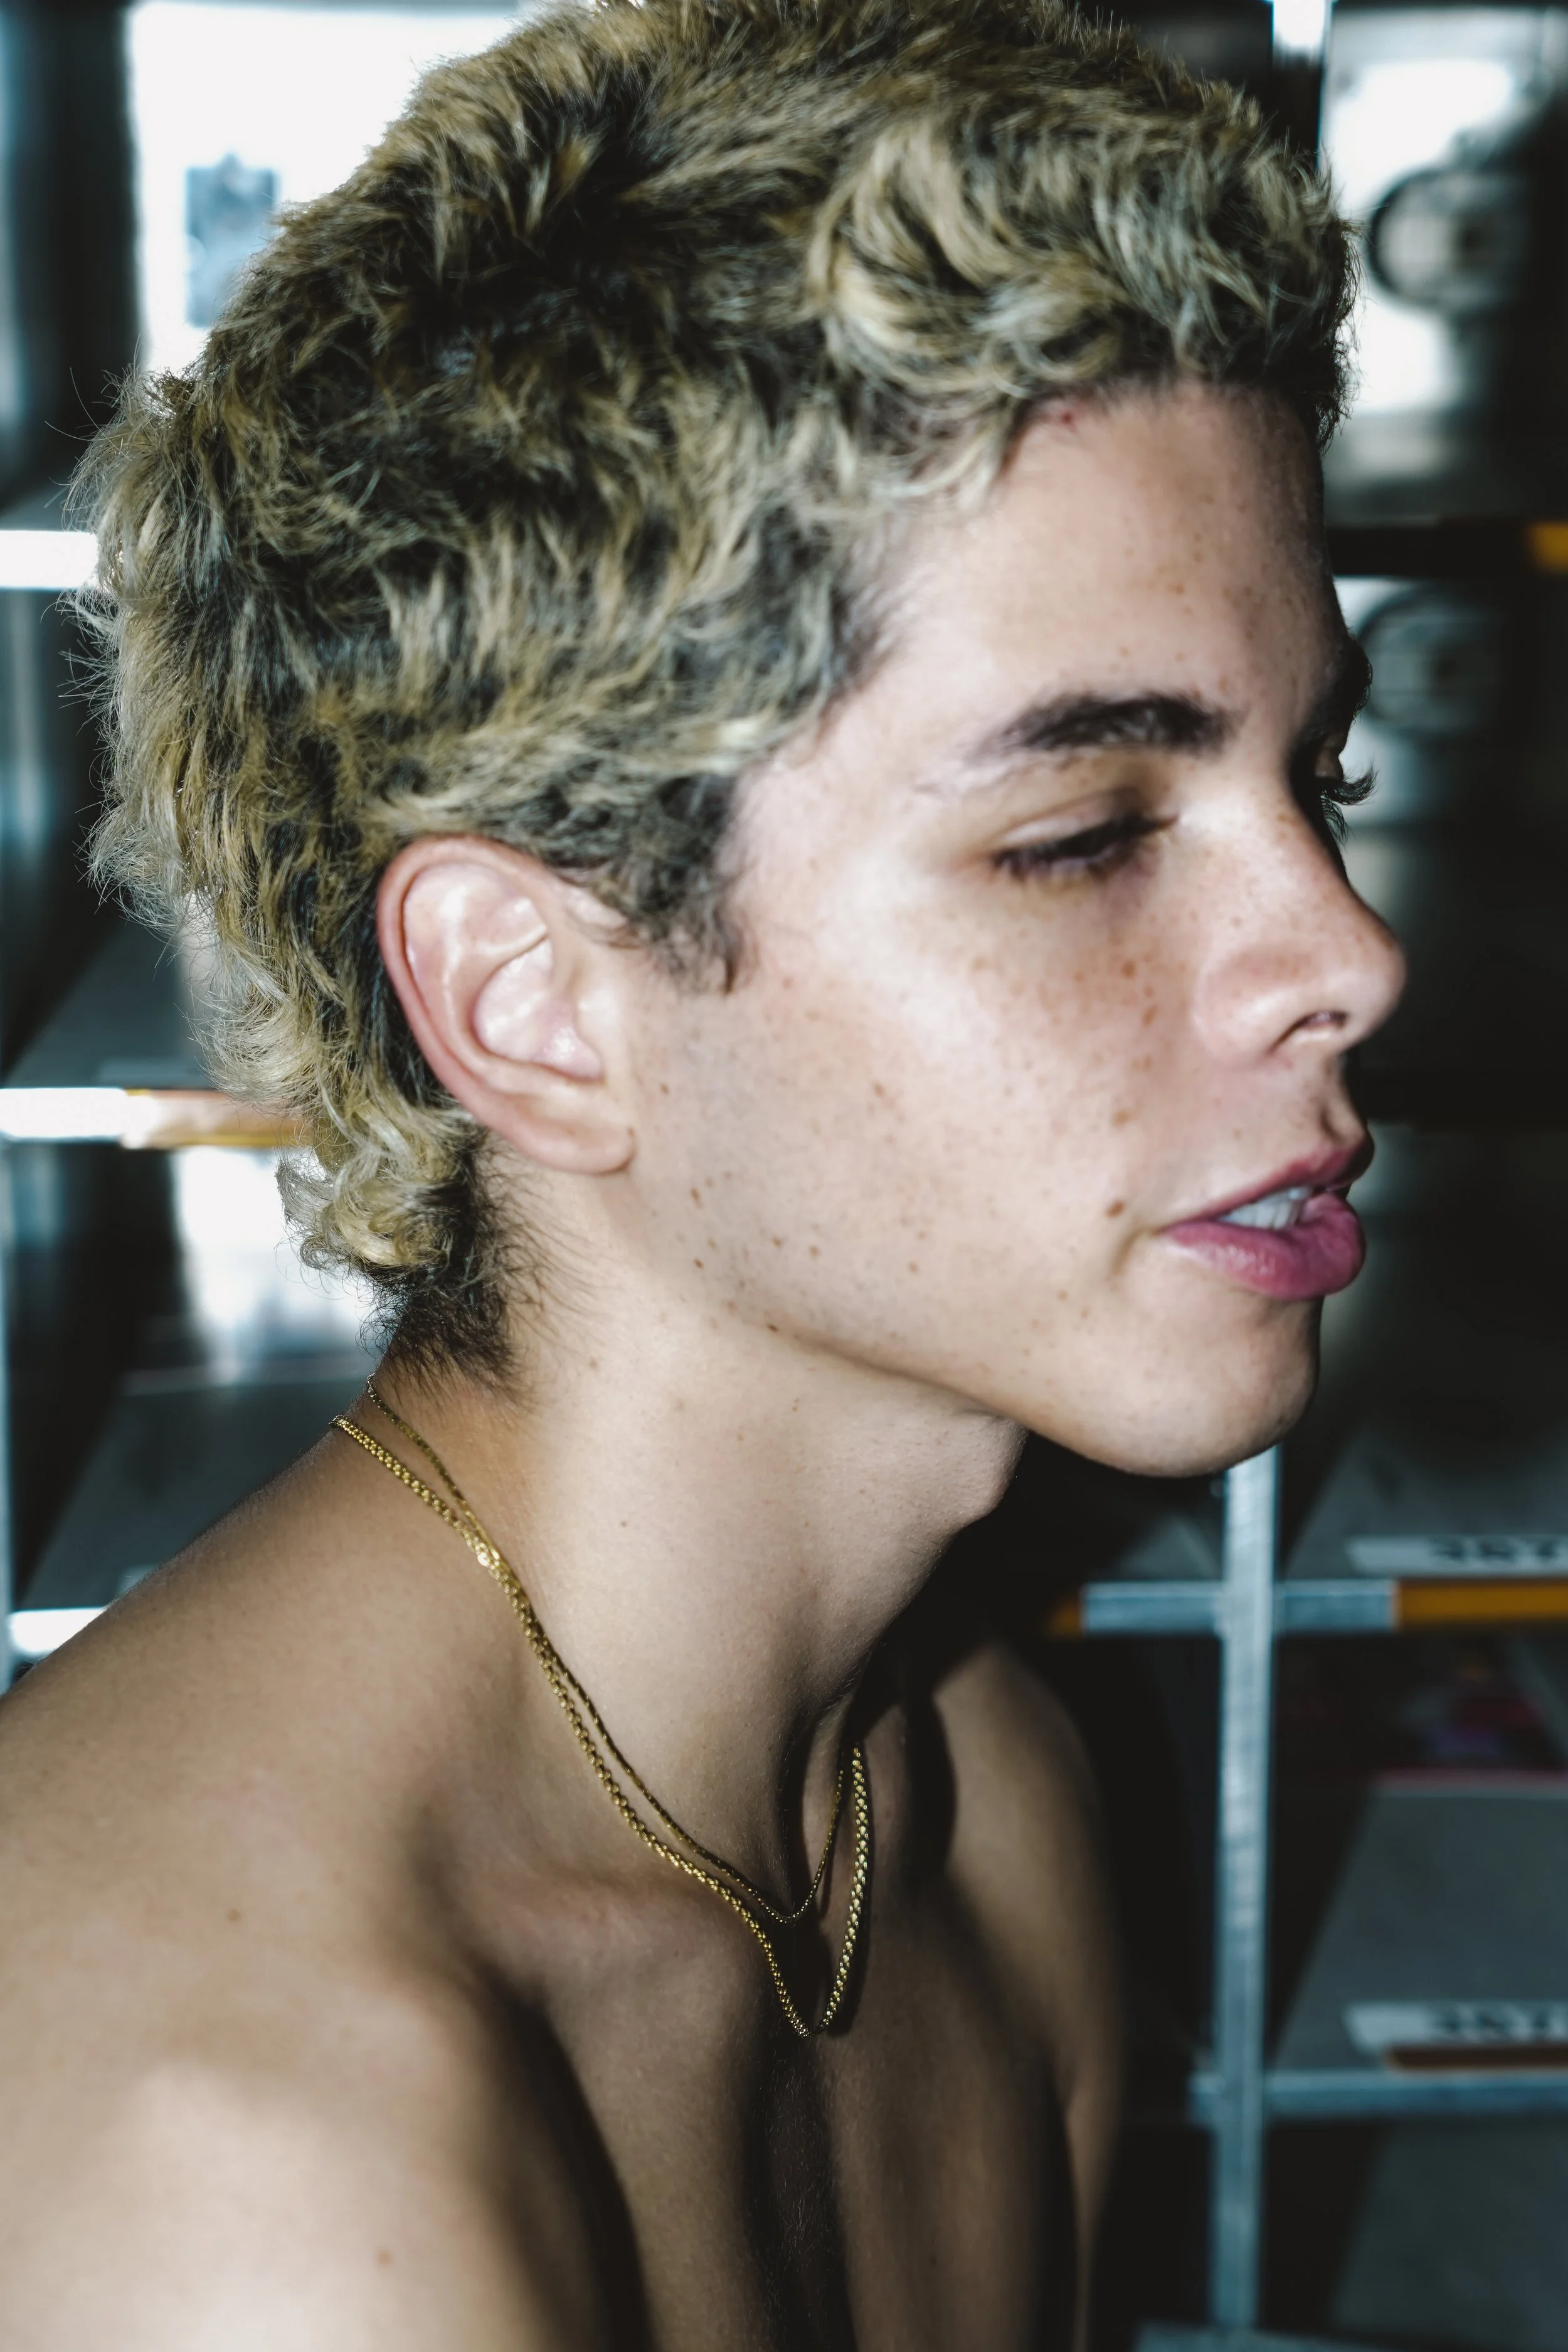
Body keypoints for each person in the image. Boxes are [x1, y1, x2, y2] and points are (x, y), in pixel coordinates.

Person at [0, 0, 1404, 2343]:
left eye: (1316, 780)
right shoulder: (239, 2171)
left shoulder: (960, 1801)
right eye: (1081, 836)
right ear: (535, 999)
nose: (1344, 960)